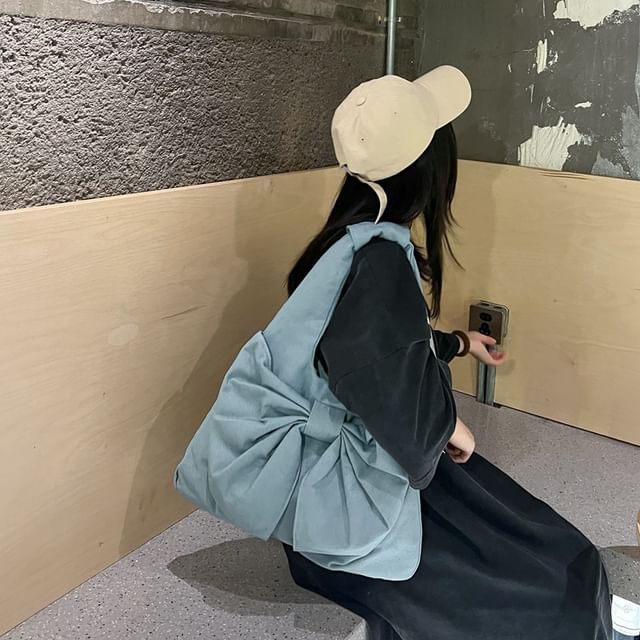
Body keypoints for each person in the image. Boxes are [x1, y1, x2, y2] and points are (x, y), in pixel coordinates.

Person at [281, 67, 613, 639]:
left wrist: (456, 343)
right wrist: (448, 427)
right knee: (560, 584)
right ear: (428, 172)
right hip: (351, 500)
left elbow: (371, 348)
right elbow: (387, 393)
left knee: (553, 558)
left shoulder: (343, 246)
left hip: (337, 479)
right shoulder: (378, 265)